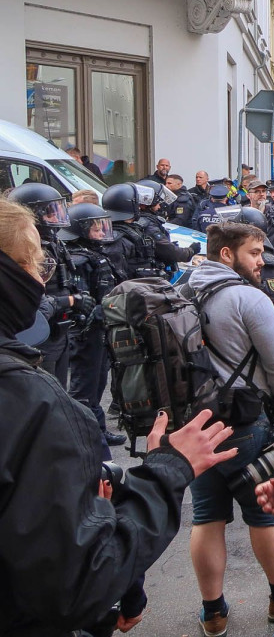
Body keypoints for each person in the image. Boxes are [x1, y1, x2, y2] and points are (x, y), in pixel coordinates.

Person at [0, 196, 238, 637]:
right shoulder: (30, 400)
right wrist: (169, 468)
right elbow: (75, 583)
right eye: (33, 265)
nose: (39, 279)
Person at [180, 222, 274, 636]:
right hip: (245, 422)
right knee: (264, 516)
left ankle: (213, 613)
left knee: (206, 516)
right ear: (226, 255)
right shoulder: (249, 297)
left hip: (194, 426)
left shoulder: (181, 291)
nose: (261, 260)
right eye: (253, 252)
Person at [7, 182, 89, 388]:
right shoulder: (21, 251)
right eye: (50, 213)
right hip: (41, 334)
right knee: (48, 387)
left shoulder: (55, 242)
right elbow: (33, 301)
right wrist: (70, 301)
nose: (56, 218)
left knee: (61, 387)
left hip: (59, 331)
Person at [60, 203, 126, 450]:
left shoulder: (97, 255)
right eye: (97, 230)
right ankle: (84, 437)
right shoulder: (77, 260)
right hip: (85, 333)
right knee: (84, 388)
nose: (102, 234)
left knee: (98, 383)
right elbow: (80, 300)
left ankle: (97, 429)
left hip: (100, 329)